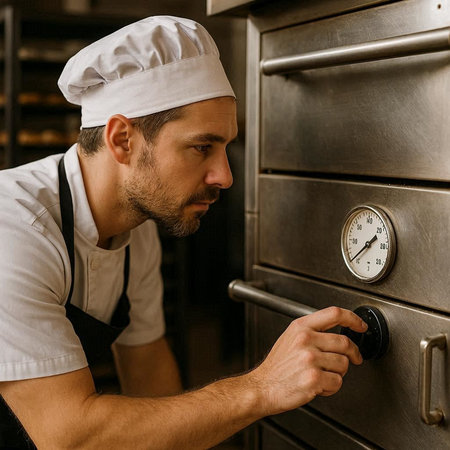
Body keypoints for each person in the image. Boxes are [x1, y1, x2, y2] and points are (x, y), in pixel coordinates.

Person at [0, 16, 367, 449]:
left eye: (226, 147)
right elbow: (70, 437)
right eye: (201, 147)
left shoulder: (138, 231)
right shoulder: (16, 229)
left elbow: (148, 372)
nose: (225, 176)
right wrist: (262, 387)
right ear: (122, 140)